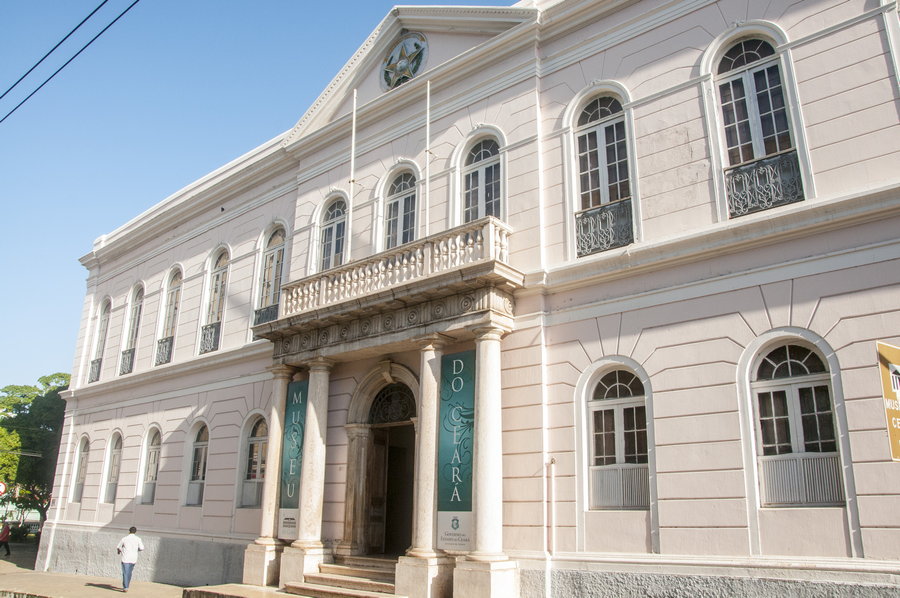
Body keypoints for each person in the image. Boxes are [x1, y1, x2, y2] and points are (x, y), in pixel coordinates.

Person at [115, 526, 144, 592]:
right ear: (135, 532)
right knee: (129, 572)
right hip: (133, 558)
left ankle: (126, 587)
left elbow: (118, 547)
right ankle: (127, 585)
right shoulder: (138, 539)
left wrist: (119, 551)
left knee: (125, 572)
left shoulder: (124, 539)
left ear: (129, 531)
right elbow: (141, 548)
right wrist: (136, 550)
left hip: (125, 558)